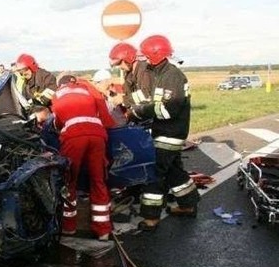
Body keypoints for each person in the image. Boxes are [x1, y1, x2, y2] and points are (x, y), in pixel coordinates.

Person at [129, 35, 201, 231]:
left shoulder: (172, 76)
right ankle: (188, 204)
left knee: (155, 174)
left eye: (144, 56)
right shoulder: (160, 73)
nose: (142, 60)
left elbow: (167, 110)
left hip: (169, 133)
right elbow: (150, 98)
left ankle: (151, 218)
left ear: (154, 55)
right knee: (173, 171)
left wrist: (139, 112)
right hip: (165, 131)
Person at [51, 77, 116, 240]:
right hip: (97, 134)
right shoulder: (87, 88)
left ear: (61, 84)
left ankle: (68, 227)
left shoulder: (58, 94)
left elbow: (58, 122)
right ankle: (103, 230)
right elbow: (103, 109)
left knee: (68, 181)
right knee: (98, 180)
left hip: (73, 136)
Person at [108, 42, 153, 110]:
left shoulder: (145, 70)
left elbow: (146, 94)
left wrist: (123, 100)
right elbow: (128, 93)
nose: (119, 67)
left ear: (128, 58)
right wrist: (117, 96)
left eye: (119, 63)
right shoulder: (129, 74)